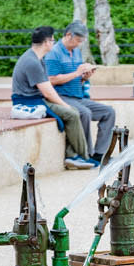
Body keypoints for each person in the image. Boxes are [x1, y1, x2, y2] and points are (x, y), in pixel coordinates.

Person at [11, 26, 95, 169]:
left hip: (37, 98)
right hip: (30, 101)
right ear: (46, 42)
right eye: (52, 40)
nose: (54, 43)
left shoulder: (36, 58)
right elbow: (48, 93)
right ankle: (82, 156)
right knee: (73, 113)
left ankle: (73, 155)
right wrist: (65, 105)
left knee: (72, 111)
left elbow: (48, 88)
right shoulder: (32, 62)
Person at [45, 21, 116, 162]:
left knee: (109, 112)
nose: (79, 44)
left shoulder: (76, 52)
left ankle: (100, 154)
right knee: (84, 113)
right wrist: (77, 73)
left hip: (77, 96)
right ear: (68, 35)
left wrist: (84, 77)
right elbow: (51, 79)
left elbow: (75, 77)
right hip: (60, 96)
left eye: (81, 41)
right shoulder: (54, 53)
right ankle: (87, 154)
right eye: (78, 40)